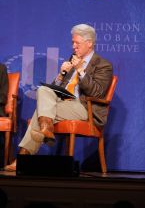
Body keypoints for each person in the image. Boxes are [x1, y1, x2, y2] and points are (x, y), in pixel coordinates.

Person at [5, 23, 113, 171]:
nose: (74, 46)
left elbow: (96, 93)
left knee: (40, 113)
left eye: (77, 43)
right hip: (64, 100)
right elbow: (55, 90)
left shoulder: (103, 65)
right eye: (73, 42)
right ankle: (45, 128)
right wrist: (61, 74)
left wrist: (81, 71)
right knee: (43, 89)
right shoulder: (72, 59)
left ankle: (23, 157)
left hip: (84, 107)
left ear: (89, 43)